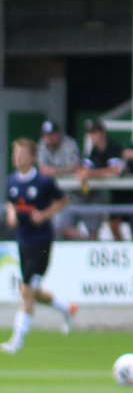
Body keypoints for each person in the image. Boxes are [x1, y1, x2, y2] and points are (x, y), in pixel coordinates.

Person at [3, 136, 78, 352]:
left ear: (32, 158)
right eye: (15, 154)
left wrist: (44, 215)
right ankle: (67, 309)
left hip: (42, 242)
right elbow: (11, 201)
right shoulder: (12, 181)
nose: (16, 158)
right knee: (31, 290)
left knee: (26, 290)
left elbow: (63, 200)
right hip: (23, 240)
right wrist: (11, 213)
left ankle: (17, 340)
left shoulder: (43, 181)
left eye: (21, 154)